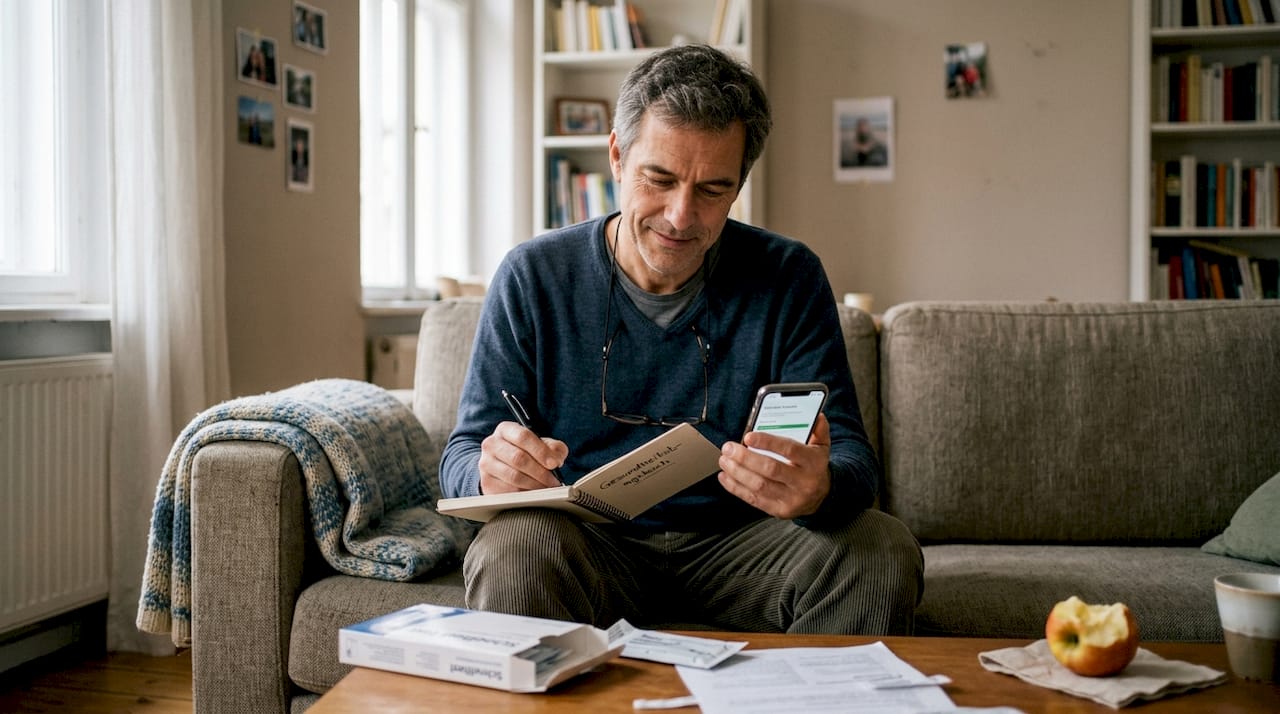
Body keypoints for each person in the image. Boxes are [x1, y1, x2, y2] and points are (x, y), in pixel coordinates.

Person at [440, 44, 923, 635]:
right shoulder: (533, 276)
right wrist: (491, 472)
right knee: (513, 545)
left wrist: (820, 486)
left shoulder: (788, 277)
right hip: (591, 549)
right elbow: (462, 456)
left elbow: (853, 460)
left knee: (879, 546)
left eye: (713, 190)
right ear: (616, 156)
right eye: (659, 178)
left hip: (744, 549)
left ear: (740, 184)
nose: (680, 215)